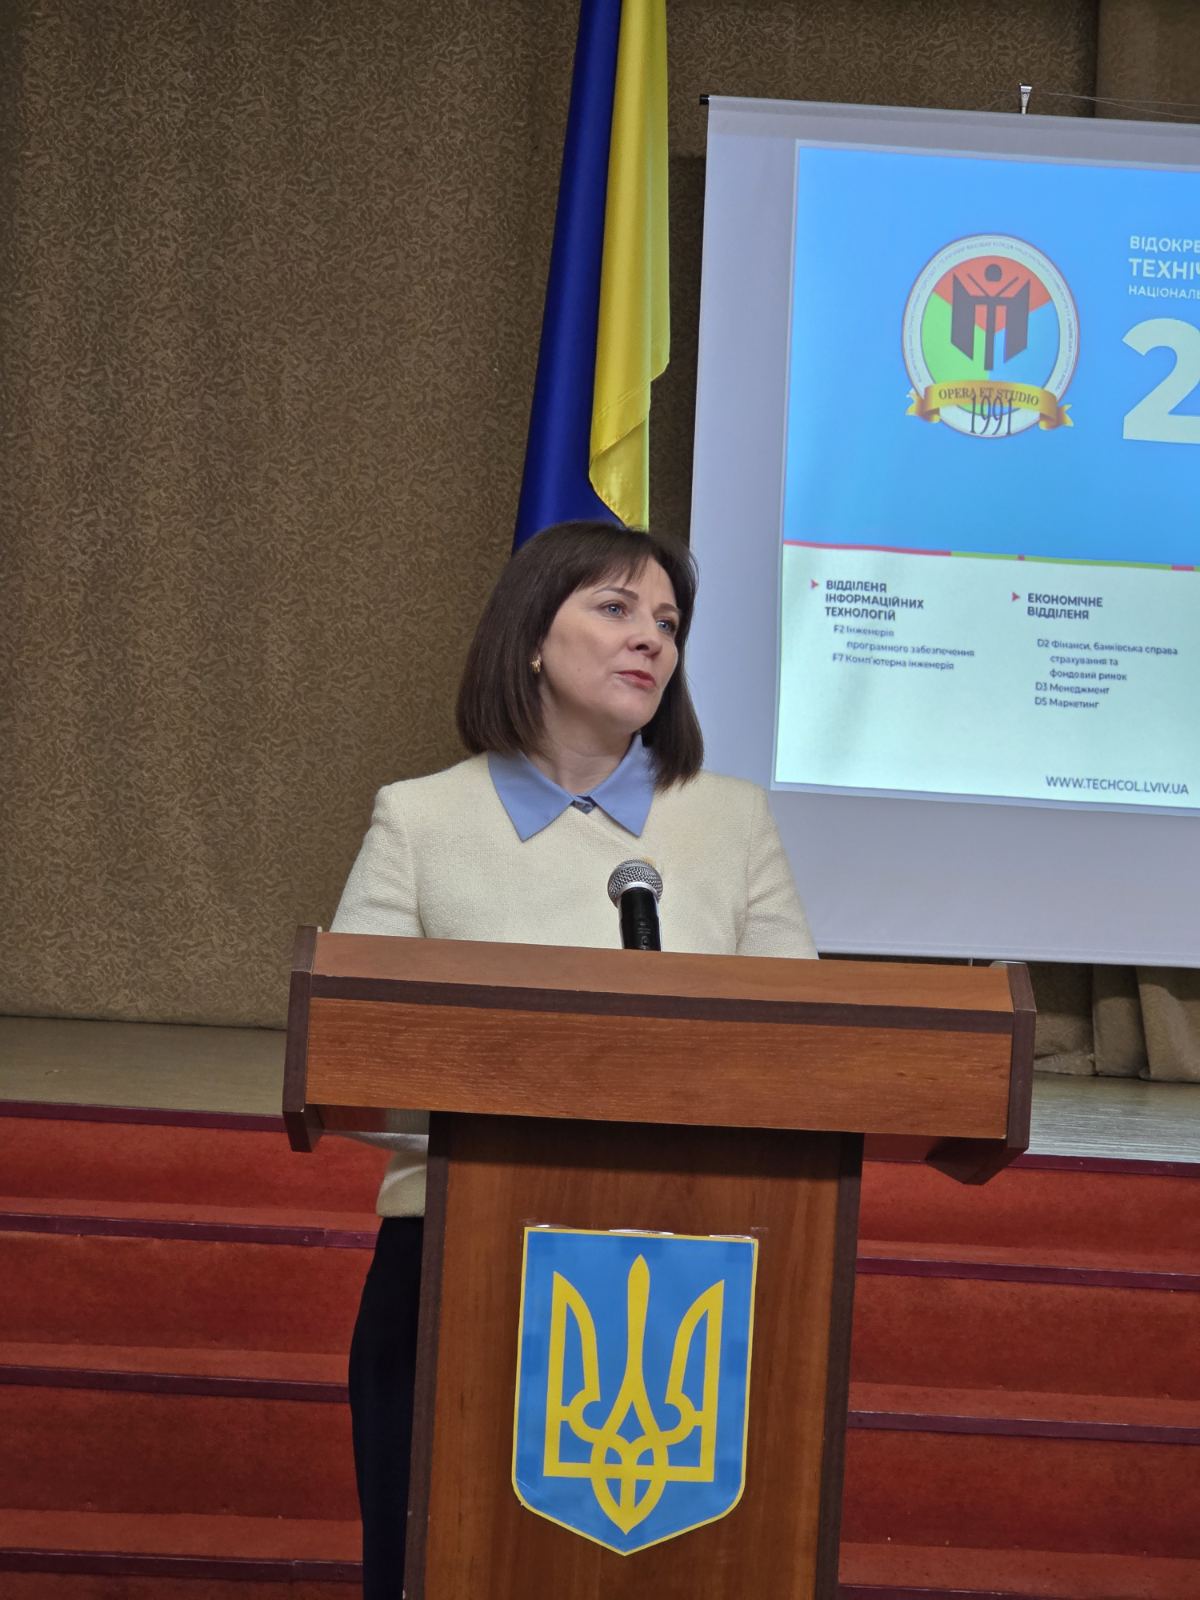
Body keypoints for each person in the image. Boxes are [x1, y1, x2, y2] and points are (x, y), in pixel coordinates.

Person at [330, 519, 816, 1598]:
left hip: (694, 1270)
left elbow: (803, 1055)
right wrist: (532, 1091)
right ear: (531, 641)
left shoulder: (732, 821)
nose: (651, 638)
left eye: (669, 623)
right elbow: (351, 1065)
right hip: (454, 1259)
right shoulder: (421, 818)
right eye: (615, 608)